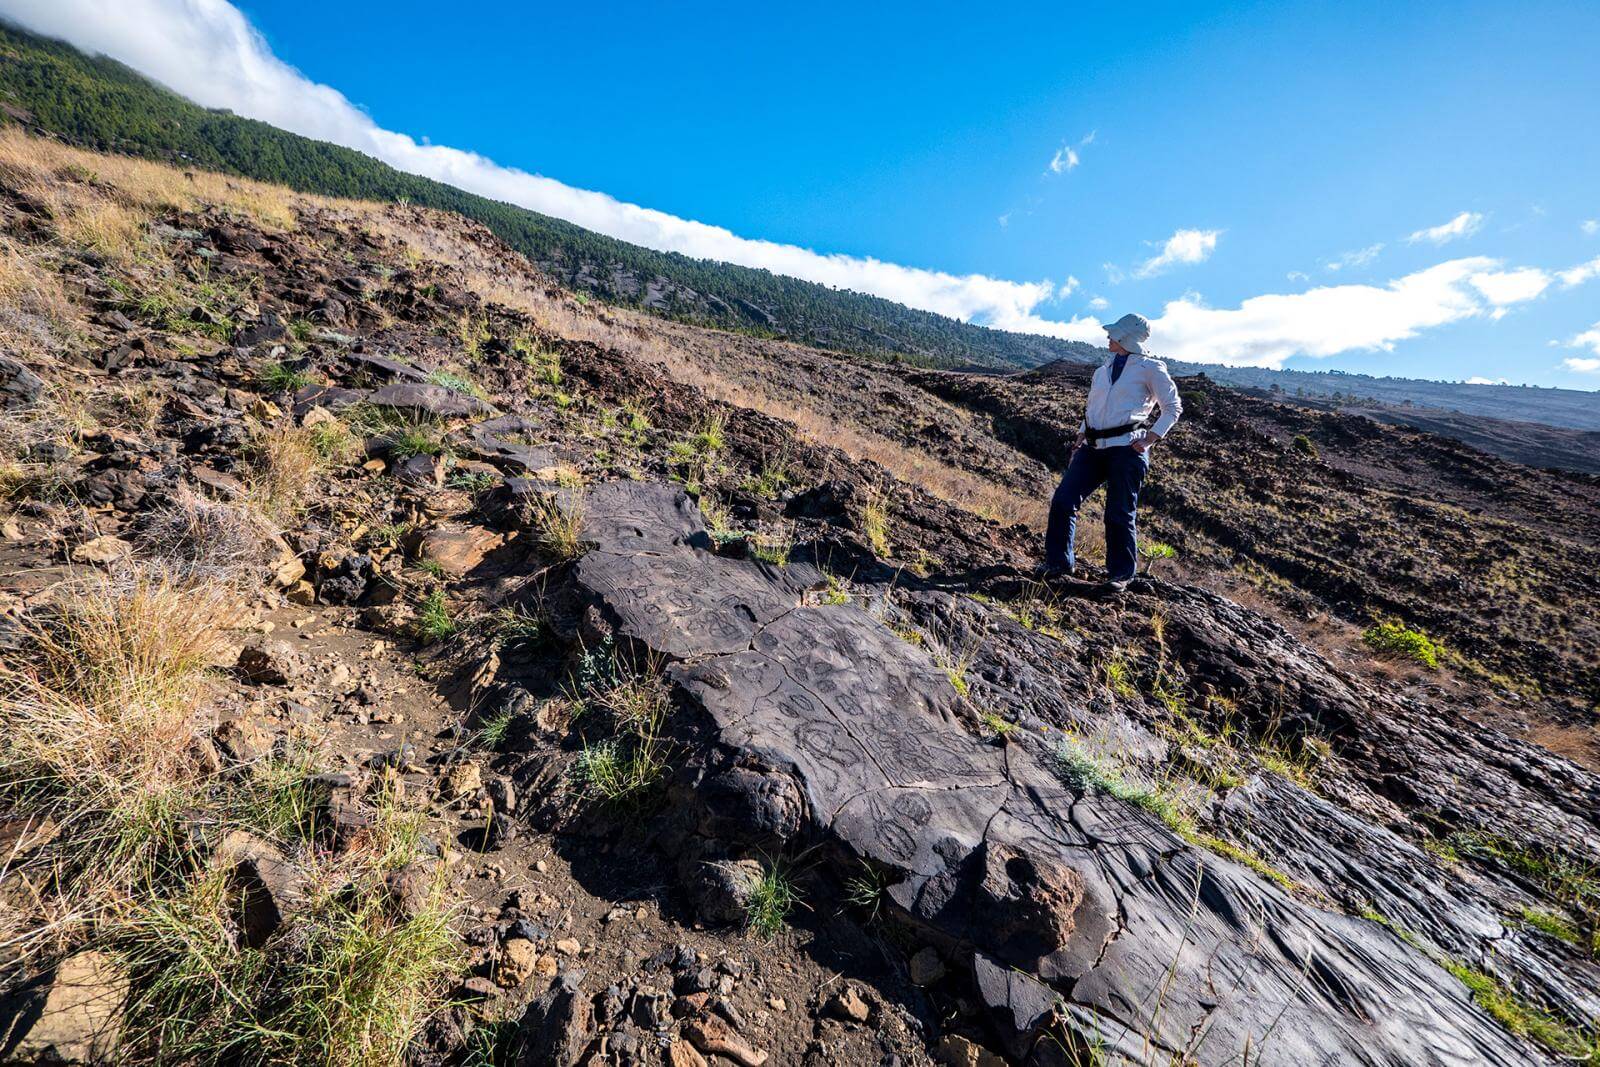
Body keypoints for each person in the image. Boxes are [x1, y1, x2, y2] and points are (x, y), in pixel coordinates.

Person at [1042, 312, 1181, 590]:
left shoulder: (1151, 368)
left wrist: (1151, 438)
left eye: (1114, 334)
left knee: (1118, 513)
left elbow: (1172, 407)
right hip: (1092, 449)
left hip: (1127, 451)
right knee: (1063, 501)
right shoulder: (1102, 370)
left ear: (1126, 337)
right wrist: (1082, 434)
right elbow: (1093, 407)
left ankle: (1120, 575)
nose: (1108, 337)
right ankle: (1058, 563)